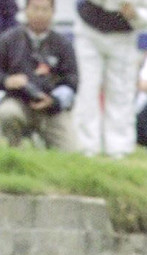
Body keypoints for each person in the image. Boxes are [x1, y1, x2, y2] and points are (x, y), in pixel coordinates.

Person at [72, 0, 147, 157]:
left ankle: (119, 148)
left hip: (123, 35)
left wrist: (136, 14)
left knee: (121, 92)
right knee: (86, 89)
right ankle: (86, 147)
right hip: (89, 29)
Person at [0, 0, 78, 151]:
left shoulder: (63, 44)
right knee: (6, 113)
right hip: (18, 102)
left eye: (45, 9)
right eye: (35, 9)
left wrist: (54, 101)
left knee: (70, 151)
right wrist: (7, 80)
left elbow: (72, 81)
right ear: (26, 11)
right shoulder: (8, 40)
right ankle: (15, 152)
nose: (40, 14)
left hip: (51, 108)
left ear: (53, 13)